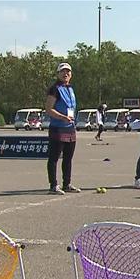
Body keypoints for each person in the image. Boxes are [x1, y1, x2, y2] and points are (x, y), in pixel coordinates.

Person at [44, 62, 81, 194]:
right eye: (63, 71)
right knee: (54, 158)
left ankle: (67, 183)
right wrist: (62, 117)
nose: (66, 74)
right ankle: (53, 185)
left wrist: (70, 120)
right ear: (58, 74)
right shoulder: (54, 89)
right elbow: (49, 109)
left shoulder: (70, 88)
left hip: (70, 128)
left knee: (68, 158)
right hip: (58, 128)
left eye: (68, 72)